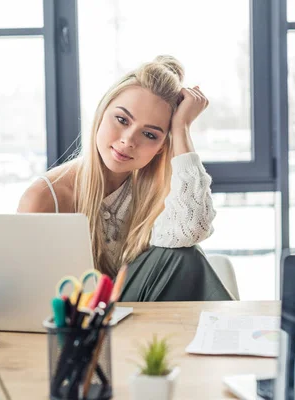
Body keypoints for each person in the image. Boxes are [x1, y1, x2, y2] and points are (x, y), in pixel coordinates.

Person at [17, 55, 231, 302]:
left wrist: (181, 128)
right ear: (101, 112)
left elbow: (193, 229)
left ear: (162, 146)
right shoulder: (45, 196)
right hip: (77, 331)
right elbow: (28, 297)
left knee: (184, 256)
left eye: (150, 134)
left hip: (140, 326)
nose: (128, 140)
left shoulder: (159, 191)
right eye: (121, 120)